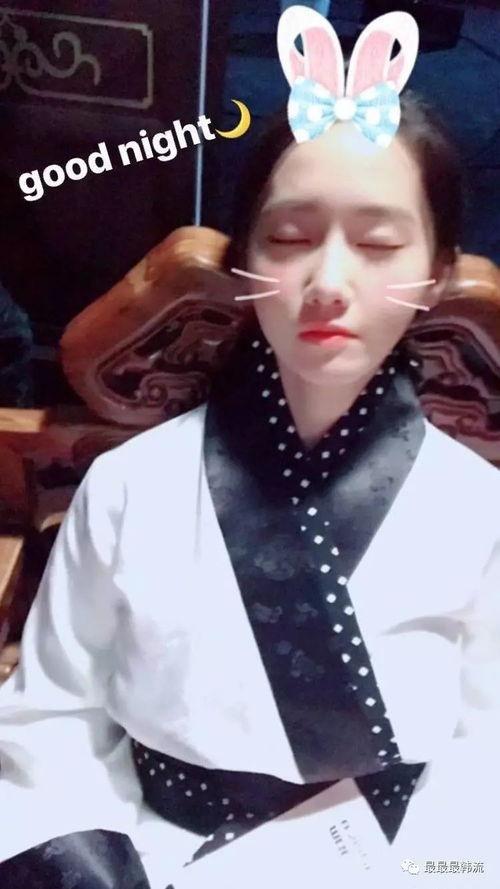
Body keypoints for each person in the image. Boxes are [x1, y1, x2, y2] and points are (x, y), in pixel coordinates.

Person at [1, 22, 499, 889]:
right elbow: (51, 721)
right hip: (153, 855)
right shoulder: (129, 486)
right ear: (243, 261)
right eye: (291, 237)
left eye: (380, 244)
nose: (330, 282)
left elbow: (485, 754)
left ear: (436, 271)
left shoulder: (477, 508)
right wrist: (99, 871)